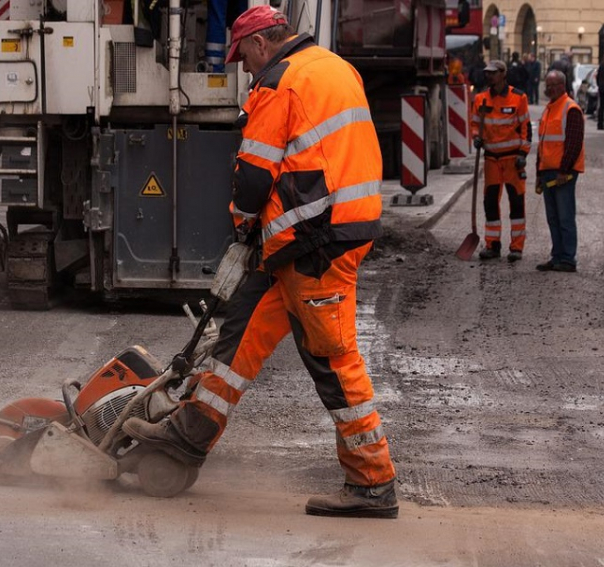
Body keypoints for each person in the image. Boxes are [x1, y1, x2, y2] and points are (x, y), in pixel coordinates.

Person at [123, 5, 398, 519]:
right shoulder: (336, 67)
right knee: (238, 339)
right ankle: (188, 437)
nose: (243, 67)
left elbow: (253, 176)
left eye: (242, 55)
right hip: (311, 237)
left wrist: (243, 226)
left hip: (316, 242)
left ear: (261, 43)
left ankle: (373, 483)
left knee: (332, 360)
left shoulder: (277, 82)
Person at [470, 60, 532, 262]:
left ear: (503, 74)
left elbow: (526, 128)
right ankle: (492, 245)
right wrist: (475, 137)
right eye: (487, 73)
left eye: (493, 73)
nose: (489, 76)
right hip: (491, 160)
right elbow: (474, 124)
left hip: (512, 159)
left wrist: (523, 153)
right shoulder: (481, 99)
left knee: (516, 203)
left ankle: (516, 248)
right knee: (490, 202)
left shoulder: (518, 97)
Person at [535, 70, 584, 273]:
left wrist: (564, 170)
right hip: (548, 171)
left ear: (563, 86)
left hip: (563, 172)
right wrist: (538, 173)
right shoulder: (549, 109)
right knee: (553, 218)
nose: (550, 88)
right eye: (548, 84)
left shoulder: (570, 108)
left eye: (554, 84)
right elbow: (543, 144)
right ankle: (557, 257)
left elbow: (573, 143)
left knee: (564, 217)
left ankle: (567, 259)